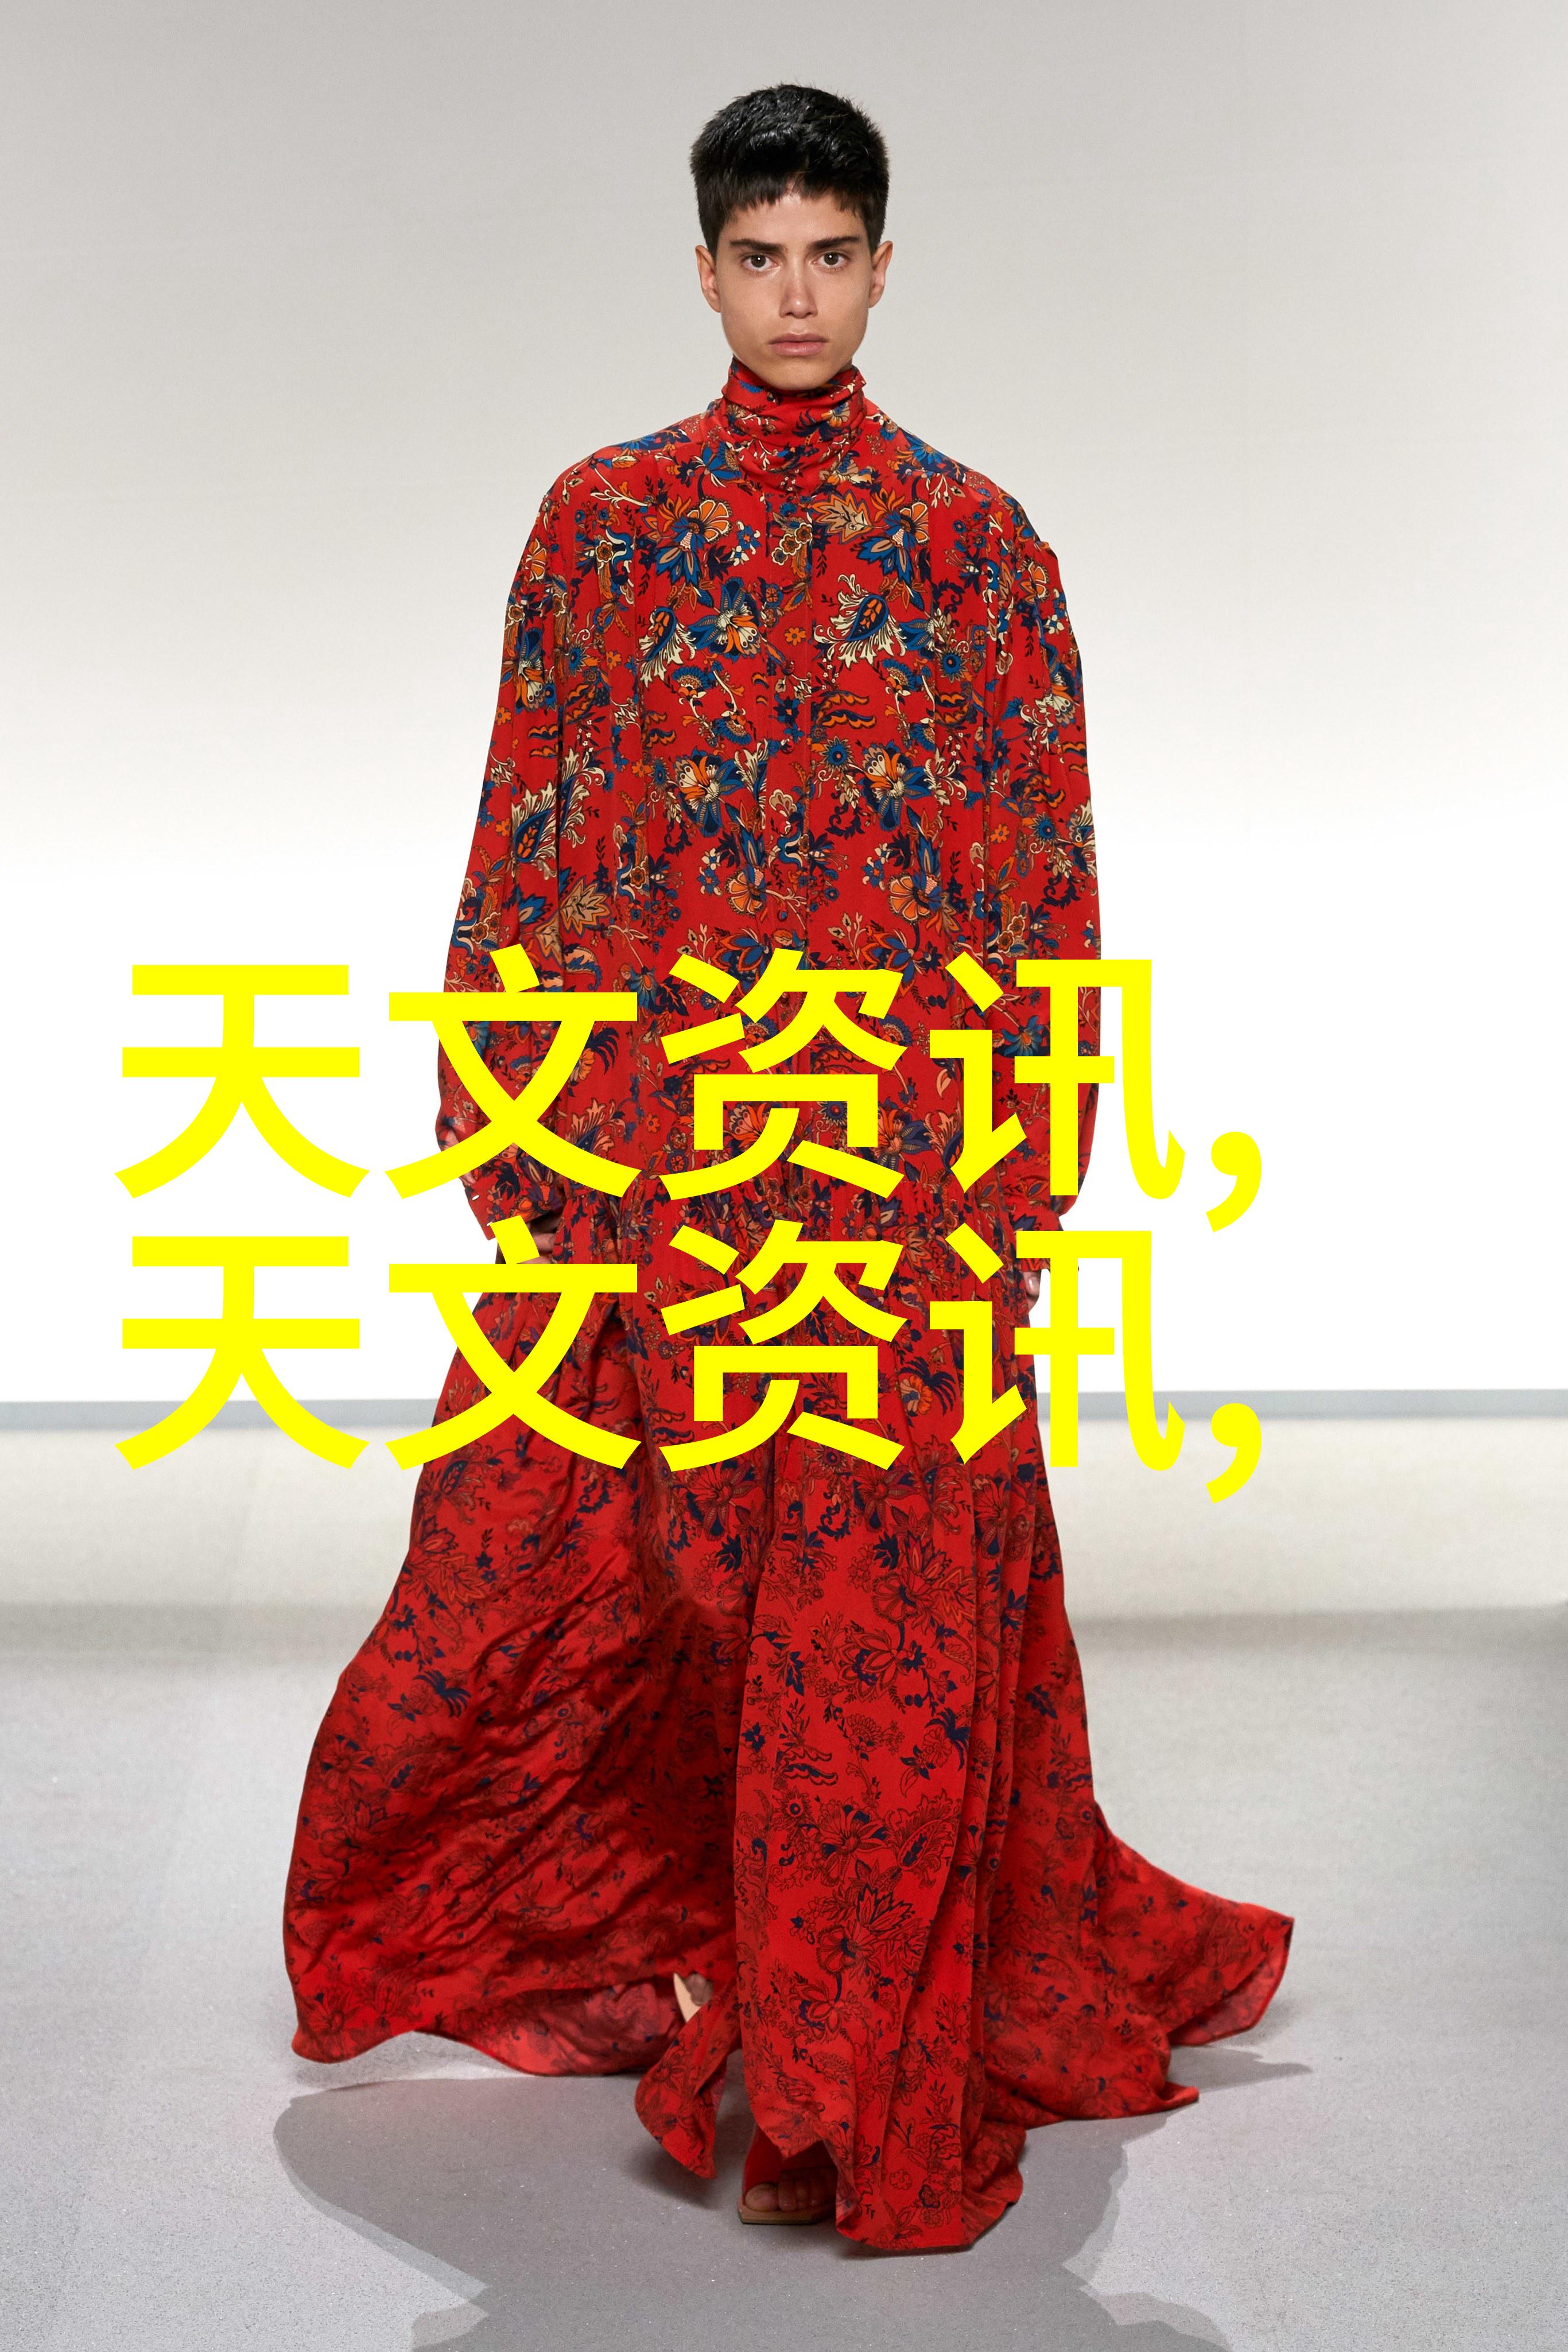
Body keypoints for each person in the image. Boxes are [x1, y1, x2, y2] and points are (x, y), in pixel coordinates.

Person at [283, 82, 1291, 2252]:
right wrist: (515, 1124)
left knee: (880, 1637)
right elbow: (531, 824)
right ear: (705, 268)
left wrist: (1022, 1165)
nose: (797, 297)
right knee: (586, 1576)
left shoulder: (976, 542)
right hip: (666, 1162)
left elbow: (1045, 872)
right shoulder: (603, 524)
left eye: (832, 255)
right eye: (760, 257)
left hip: (898, 1189)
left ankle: (847, 2060)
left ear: (884, 267)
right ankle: (701, 1945)